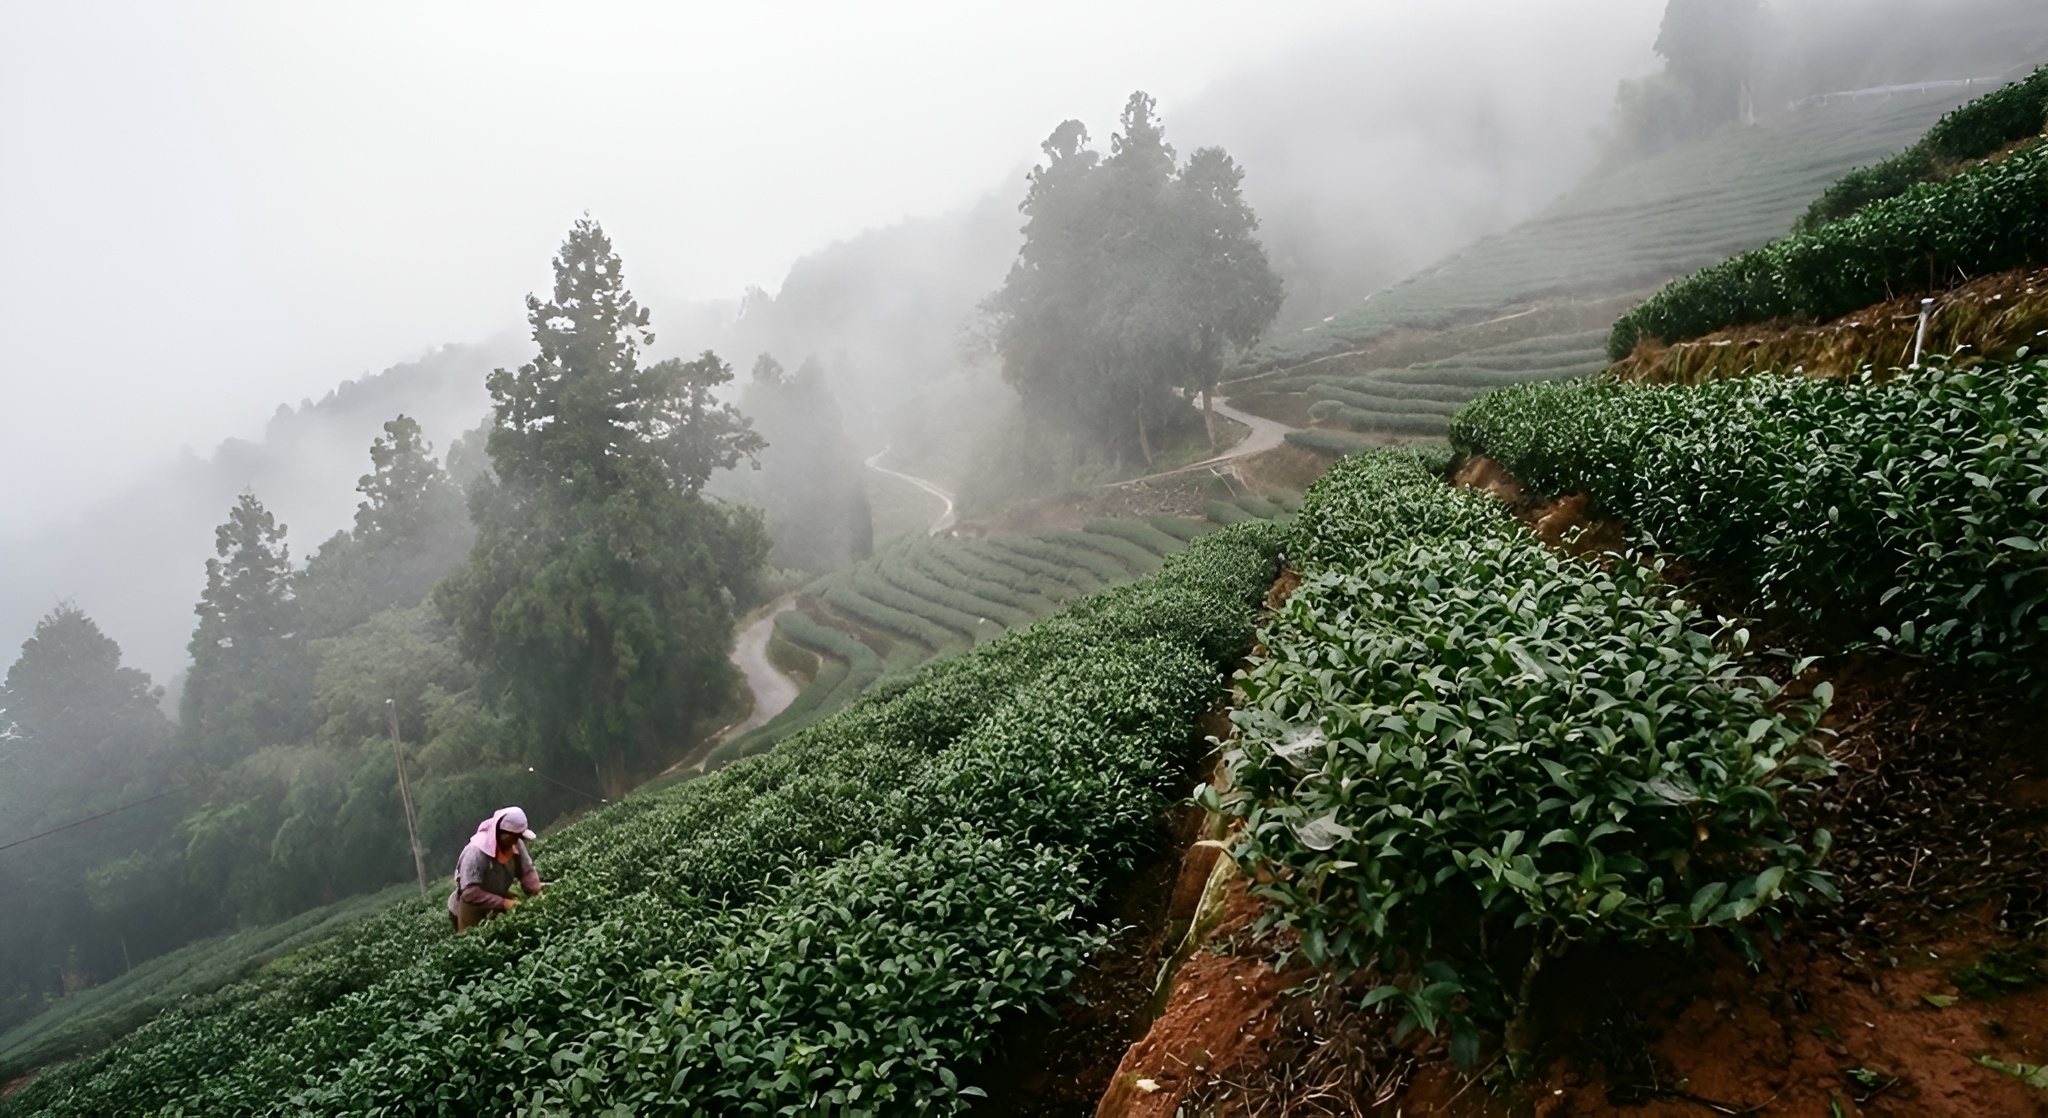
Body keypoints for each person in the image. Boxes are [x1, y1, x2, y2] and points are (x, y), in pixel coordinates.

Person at [447, 806, 545, 931]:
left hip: (499, 898)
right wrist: (504, 903)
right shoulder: (476, 852)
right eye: (514, 837)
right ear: (504, 835)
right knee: (471, 940)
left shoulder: (516, 843)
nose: (517, 841)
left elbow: (527, 871)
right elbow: (470, 893)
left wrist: (536, 890)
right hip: (472, 906)